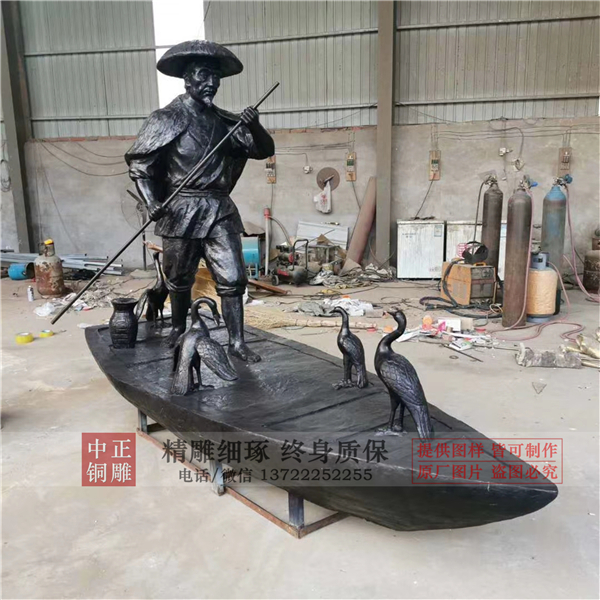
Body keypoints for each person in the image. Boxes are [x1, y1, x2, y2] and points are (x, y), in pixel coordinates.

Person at [125, 40, 274, 362]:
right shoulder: (165, 119)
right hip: (180, 209)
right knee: (179, 278)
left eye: (216, 77)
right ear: (187, 79)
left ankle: (236, 342)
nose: (211, 83)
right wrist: (151, 201)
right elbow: (141, 166)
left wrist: (254, 124)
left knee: (233, 278)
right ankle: (179, 327)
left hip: (219, 208)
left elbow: (263, 150)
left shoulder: (225, 122)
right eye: (204, 75)